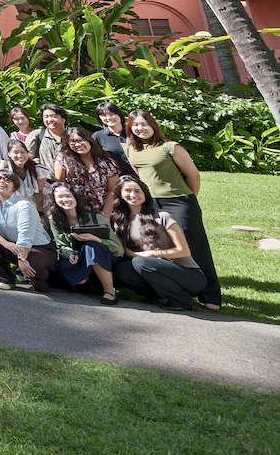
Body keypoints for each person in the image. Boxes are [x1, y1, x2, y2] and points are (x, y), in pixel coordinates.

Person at [124, 110, 221, 309]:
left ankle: (210, 296)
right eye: (135, 125)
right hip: (151, 204)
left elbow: (193, 175)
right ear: (130, 128)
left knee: (194, 247)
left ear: (153, 125)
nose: (140, 128)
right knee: (158, 244)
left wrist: (188, 200)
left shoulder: (170, 147)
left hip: (179, 202)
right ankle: (174, 289)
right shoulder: (131, 149)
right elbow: (141, 176)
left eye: (144, 124)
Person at [110, 175, 208, 310]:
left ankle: (183, 300)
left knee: (141, 263)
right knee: (123, 270)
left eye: (137, 190)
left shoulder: (162, 217)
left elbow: (183, 251)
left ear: (145, 194)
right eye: (127, 190)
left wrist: (151, 254)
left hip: (189, 275)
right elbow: (126, 250)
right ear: (120, 194)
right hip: (153, 267)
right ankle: (156, 295)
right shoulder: (120, 221)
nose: (133, 195)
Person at [0, 168, 56, 292]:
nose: (2, 181)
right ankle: (4, 279)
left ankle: (44, 279)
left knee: (35, 269)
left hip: (39, 248)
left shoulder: (24, 205)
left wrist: (22, 259)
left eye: (7, 179)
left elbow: (25, 235)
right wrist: (5, 243)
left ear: (15, 186)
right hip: (13, 246)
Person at [44, 181, 120, 303]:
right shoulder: (55, 220)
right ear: (54, 200)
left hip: (101, 255)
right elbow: (60, 245)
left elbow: (118, 249)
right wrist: (70, 254)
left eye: (68, 195)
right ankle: (87, 278)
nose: (65, 199)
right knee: (80, 280)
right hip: (77, 257)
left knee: (92, 246)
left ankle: (110, 291)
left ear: (75, 196)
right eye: (60, 197)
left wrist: (95, 239)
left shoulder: (96, 218)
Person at [54, 127, 121, 213]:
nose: (77, 144)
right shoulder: (63, 159)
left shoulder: (106, 162)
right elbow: (60, 185)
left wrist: (106, 215)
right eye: (72, 142)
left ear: (89, 140)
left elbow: (112, 190)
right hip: (75, 211)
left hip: (102, 210)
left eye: (80, 140)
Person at [0, 139, 45, 211]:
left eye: (23, 152)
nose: (20, 155)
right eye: (15, 152)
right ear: (9, 154)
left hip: (33, 207)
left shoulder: (37, 170)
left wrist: (39, 213)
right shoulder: (3, 170)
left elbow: (39, 193)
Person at [26, 103, 71, 175]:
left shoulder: (72, 136)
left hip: (72, 183)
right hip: (46, 183)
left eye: (54, 116)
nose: (49, 119)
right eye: (46, 117)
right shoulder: (37, 135)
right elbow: (27, 158)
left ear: (63, 119)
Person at [91, 101, 133, 173]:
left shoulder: (133, 132)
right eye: (103, 115)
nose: (109, 117)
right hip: (116, 178)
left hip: (142, 175)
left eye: (111, 114)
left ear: (119, 114)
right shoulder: (98, 137)